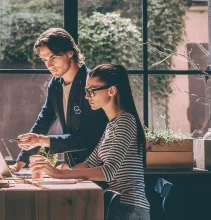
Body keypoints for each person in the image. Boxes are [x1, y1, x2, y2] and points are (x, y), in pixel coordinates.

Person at [30, 64, 151, 220]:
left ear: (112, 90)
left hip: (129, 209)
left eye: (92, 91)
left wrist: (59, 173)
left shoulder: (125, 121)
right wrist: (66, 172)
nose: (87, 96)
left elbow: (107, 172)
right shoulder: (112, 124)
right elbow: (89, 163)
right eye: (87, 91)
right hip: (116, 205)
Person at [9, 28, 108, 175]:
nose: (49, 65)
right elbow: (44, 121)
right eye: (44, 60)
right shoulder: (55, 84)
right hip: (72, 168)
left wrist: (41, 140)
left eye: (53, 57)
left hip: (97, 169)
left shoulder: (91, 86)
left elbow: (87, 137)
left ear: (70, 53)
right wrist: (19, 164)